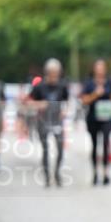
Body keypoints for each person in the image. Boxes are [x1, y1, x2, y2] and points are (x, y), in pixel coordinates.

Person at [29, 59, 70, 187]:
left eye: (56, 73)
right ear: (47, 72)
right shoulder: (39, 87)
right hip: (43, 122)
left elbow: (67, 101)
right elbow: (28, 102)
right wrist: (39, 104)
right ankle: (47, 176)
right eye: (52, 73)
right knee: (46, 149)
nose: (54, 76)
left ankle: (57, 172)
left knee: (60, 149)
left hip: (57, 121)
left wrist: (65, 111)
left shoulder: (62, 86)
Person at [80, 59, 111, 185]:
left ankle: (106, 173)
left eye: (103, 67)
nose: (101, 70)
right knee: (95, 145)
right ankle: (95, 173)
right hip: (93, 118)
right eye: (98, 67)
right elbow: (84, 100)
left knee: (106, 143)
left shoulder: (110, 82)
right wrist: (95, 94)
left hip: (107, 118)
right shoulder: (89, 84)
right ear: (94, 69)